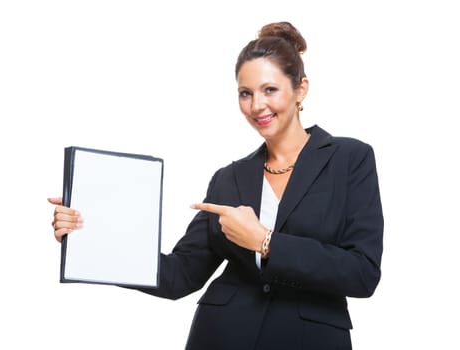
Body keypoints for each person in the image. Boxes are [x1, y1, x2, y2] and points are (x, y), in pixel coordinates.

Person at [48, 21, 383, 350]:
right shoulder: (229, 178)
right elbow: (180, 275)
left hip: (310, 339)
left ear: (301, 89)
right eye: (245, 93)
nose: (257, 106)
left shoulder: (349, 159)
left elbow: (362, 272)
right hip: (222, 335)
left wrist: (266, 243)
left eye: (270, 90)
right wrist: (90, 233)